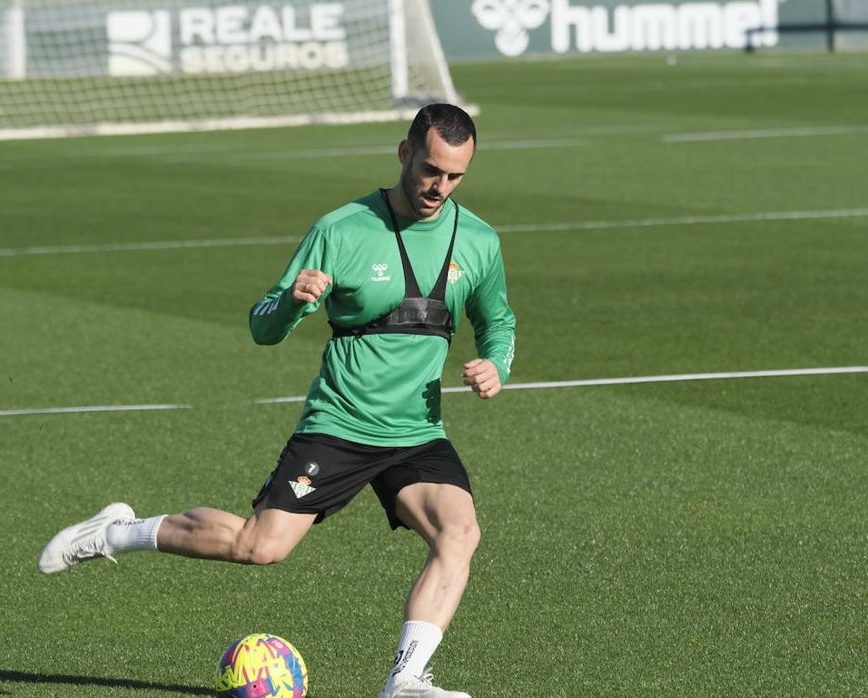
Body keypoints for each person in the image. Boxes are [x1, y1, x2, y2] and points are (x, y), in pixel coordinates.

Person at [37, 103, 516, 698]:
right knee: (258, 547)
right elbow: (262, 325)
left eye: (454, 177)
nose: (438, 188)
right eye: (430, 170)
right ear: (404, 154)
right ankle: (117, 532)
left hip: (415, 432)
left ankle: (407, 680)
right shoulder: (341, 229)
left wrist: (497, 363)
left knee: (459, 533)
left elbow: (498, 321)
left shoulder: (477, 240)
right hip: (339, 425)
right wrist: (293, 300)